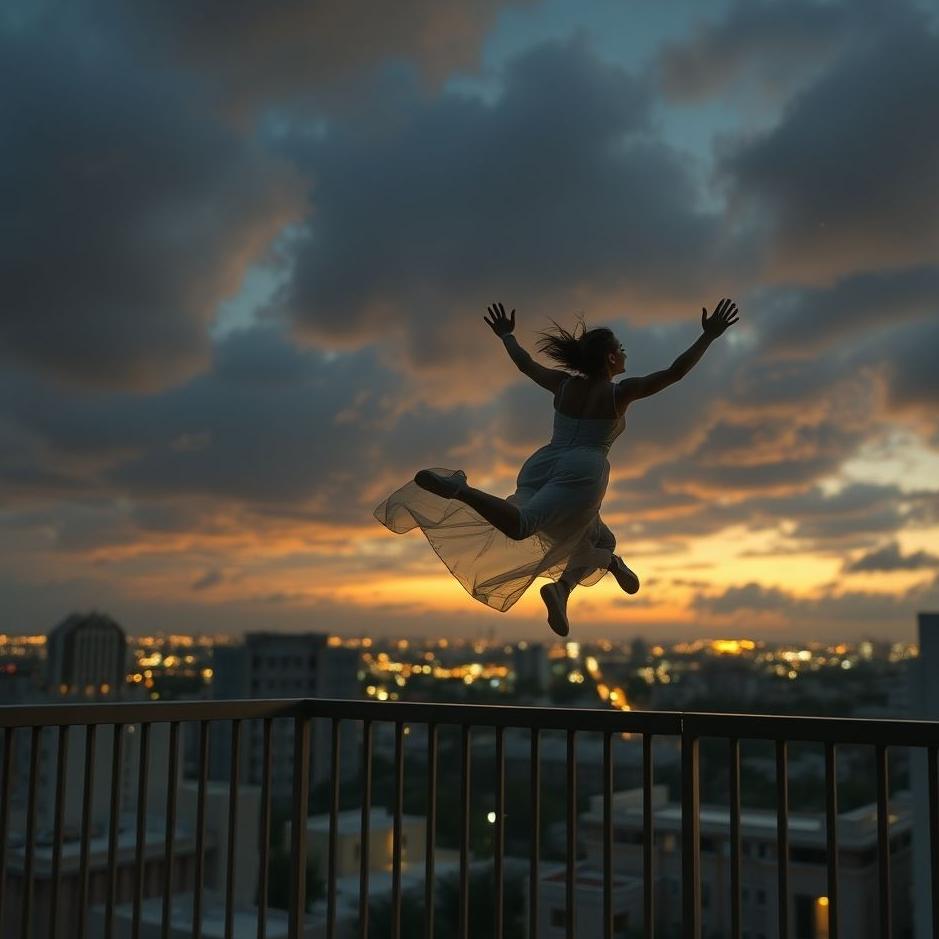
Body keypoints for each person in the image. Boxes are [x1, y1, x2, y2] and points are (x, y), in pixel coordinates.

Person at [374, 299, 739, 636]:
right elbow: (675, 372)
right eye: (622, 349)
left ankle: (572, 584)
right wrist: (707, 336)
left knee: (598, 537)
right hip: (583, 468)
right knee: (522, 526)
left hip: (543, 463)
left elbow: (525, 364)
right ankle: (461, 489)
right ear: (611, 359)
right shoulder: (619, 393)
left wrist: (507, 336)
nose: (626, 354)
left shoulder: (563, 385)